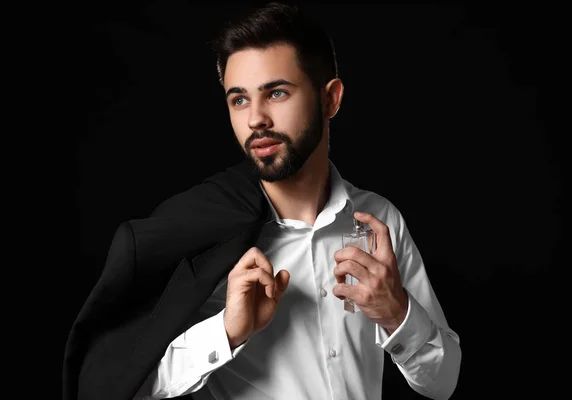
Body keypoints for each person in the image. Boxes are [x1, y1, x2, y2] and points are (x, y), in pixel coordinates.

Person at [65, 3, 461, 400]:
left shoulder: (379, 220)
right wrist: (226, 331)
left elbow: (442, 384)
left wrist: (397, 313)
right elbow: (116, 387)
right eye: (239, 100)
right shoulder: (203, 233)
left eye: (276, 93)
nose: (256, 119)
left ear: (331, 100)